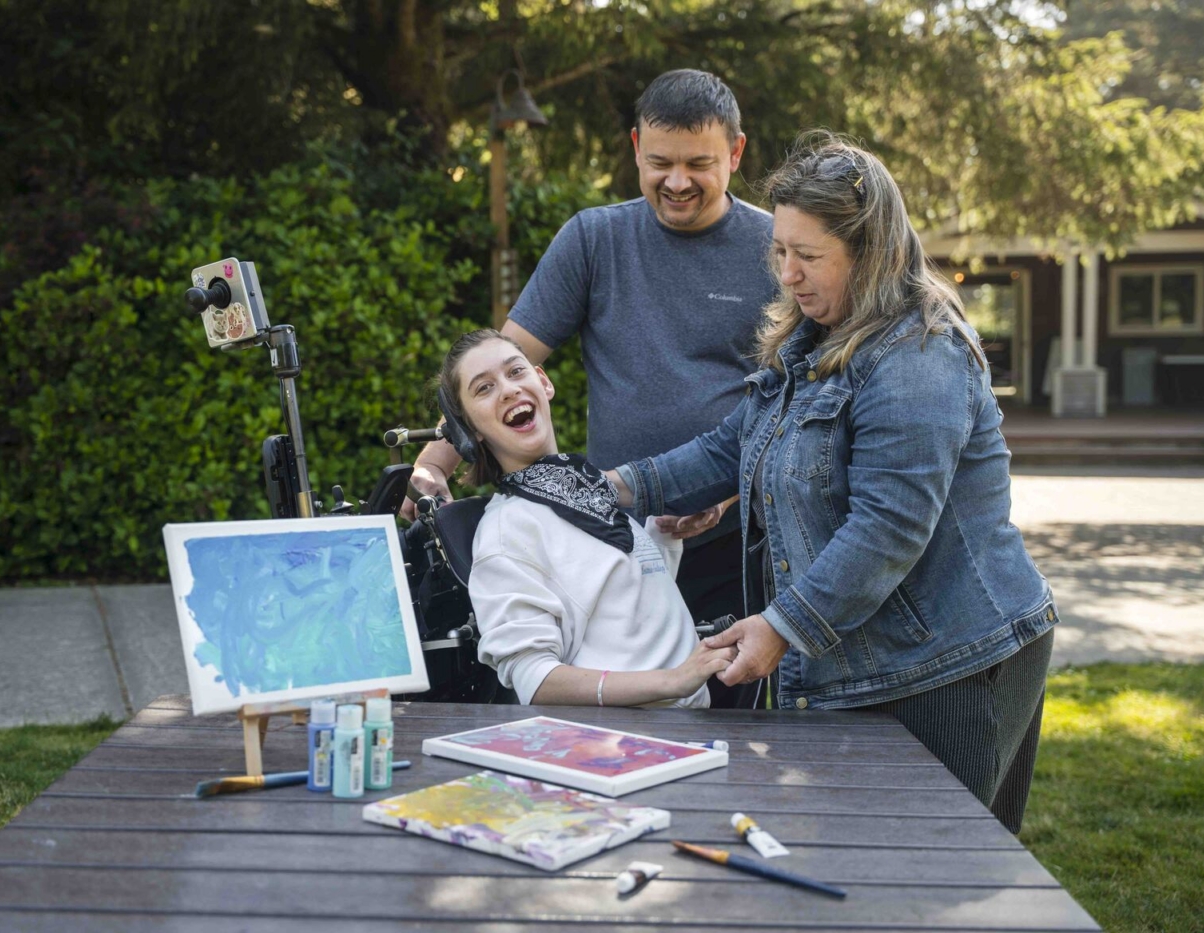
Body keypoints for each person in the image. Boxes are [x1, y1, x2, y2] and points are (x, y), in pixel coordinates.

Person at [608, 133, 1058, 832]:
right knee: (856, 861)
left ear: (870, 252)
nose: (787, 272)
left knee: (940, 879)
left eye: (808, 255)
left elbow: (889, 526)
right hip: (866, 662)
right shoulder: (813, 336)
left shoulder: (918, 354)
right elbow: (732, 445)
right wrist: (615, 487)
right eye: (780, 251)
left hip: (953, 665)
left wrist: (783, 626)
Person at [405, 69, 778, 708]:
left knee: (730, 732)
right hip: (620, 546)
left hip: (734, 542)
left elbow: (795, 400)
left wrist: (729, 496)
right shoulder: (594, 238)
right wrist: (436, 461)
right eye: (659, 162)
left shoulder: (776, 248)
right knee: (625, 719)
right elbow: (504, 364)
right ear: (635, 147)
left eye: (700, 164)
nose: (678, 181)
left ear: (736, 153)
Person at [434, 328, 735, 708]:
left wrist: (663, 537)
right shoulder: (506, 530)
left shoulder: (588, 488)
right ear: (470, 430)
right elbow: (535, 679)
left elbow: (625, 613)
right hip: (616, 747)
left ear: (543, 382)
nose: (508, 390)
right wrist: (672, 681)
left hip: (685, 734)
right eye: (484, 388)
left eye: (515, 372)